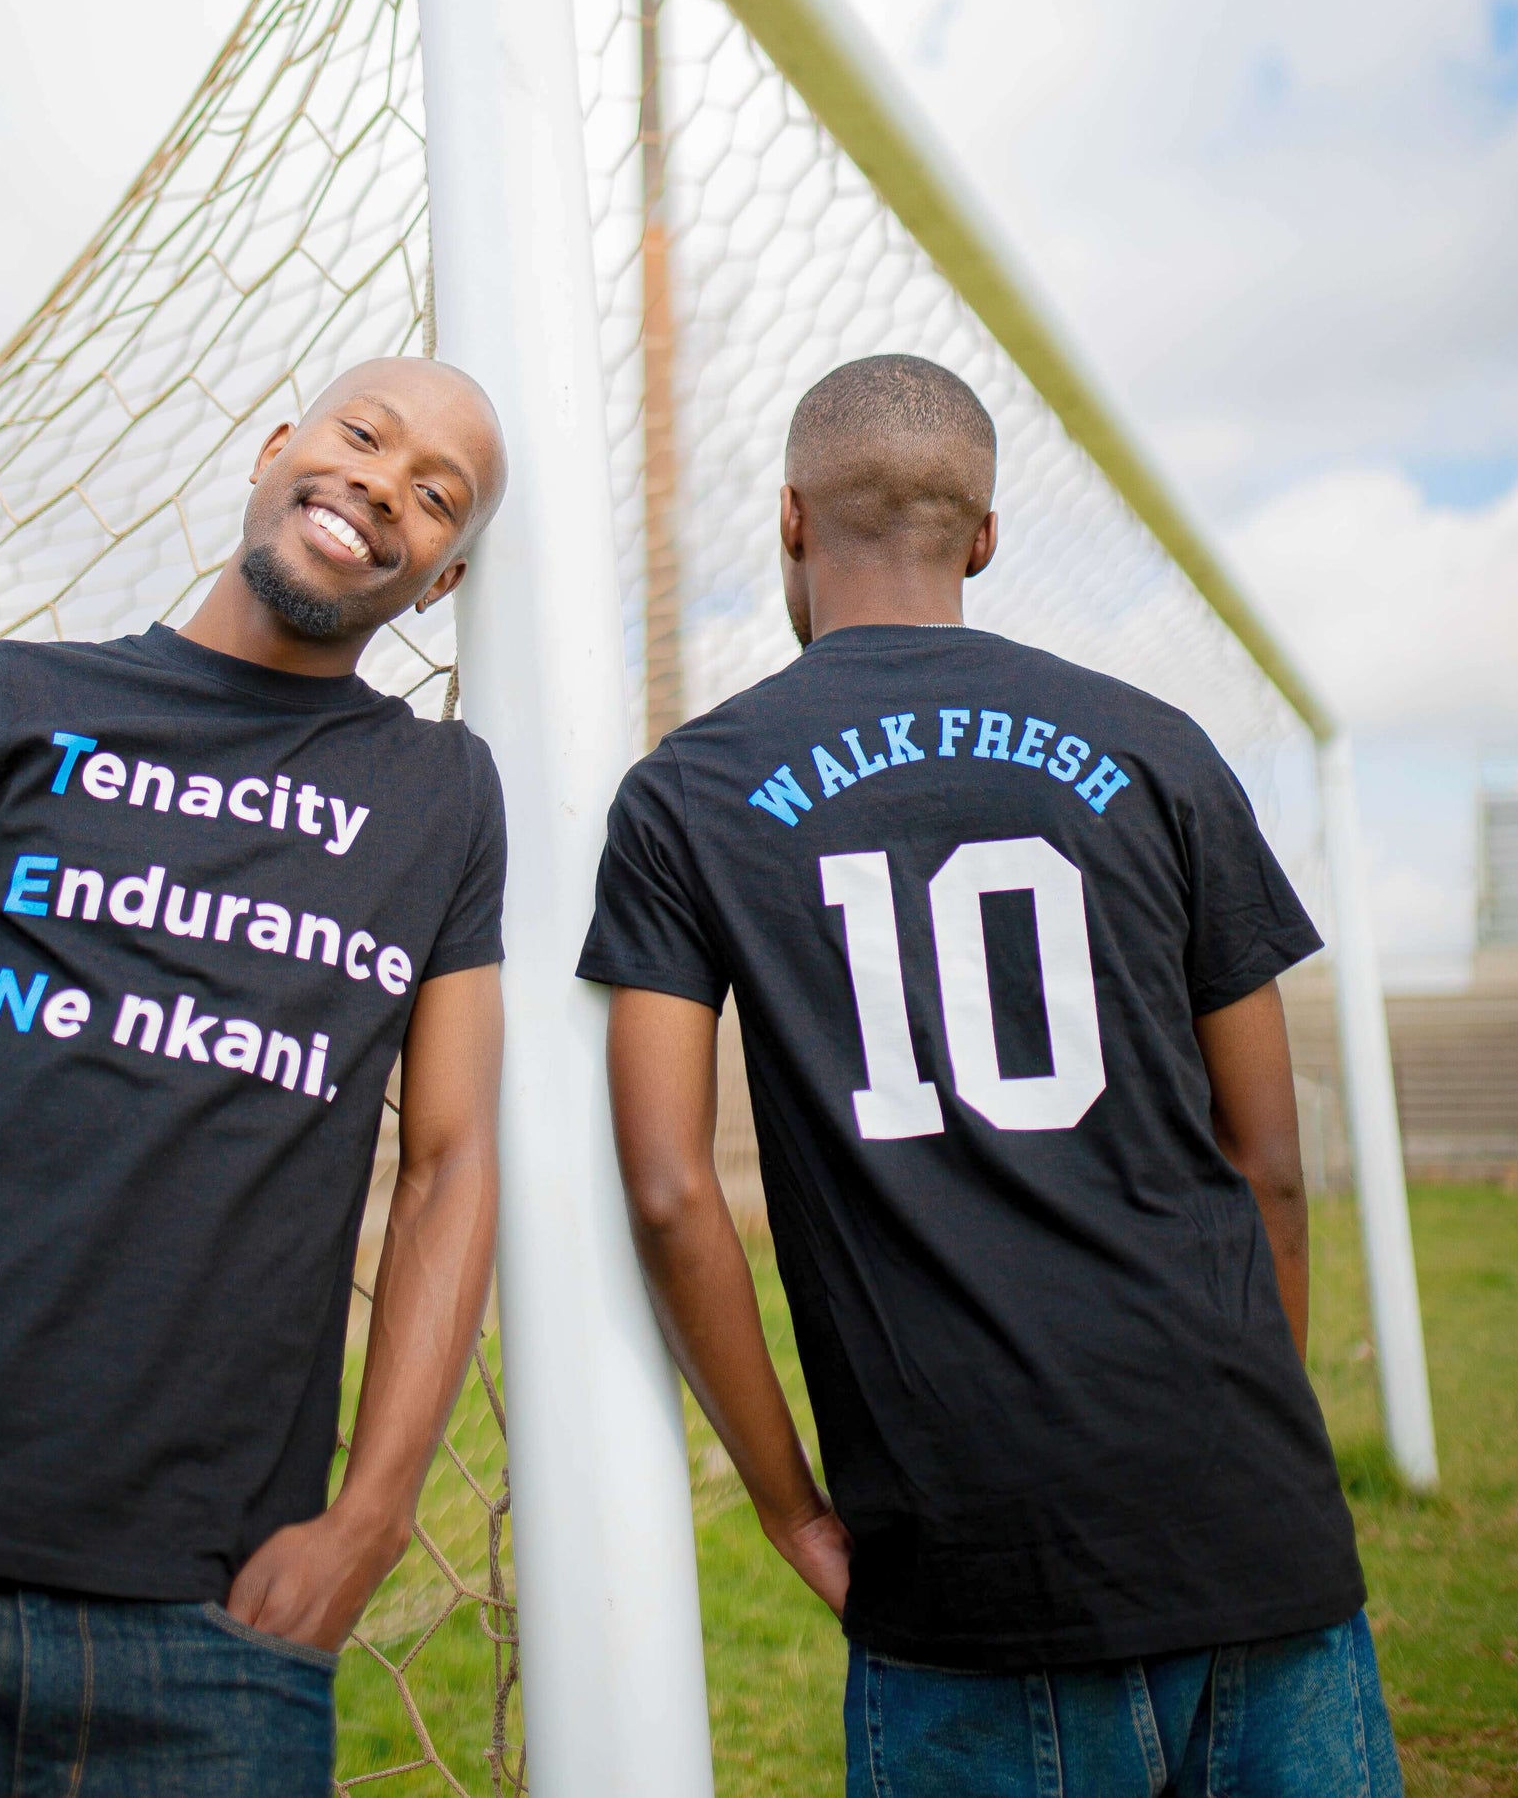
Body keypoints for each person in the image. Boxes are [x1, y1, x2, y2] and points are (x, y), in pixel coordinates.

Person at [579, 355, 1401, 1796]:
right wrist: (1251, 1460)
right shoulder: (1158, 749)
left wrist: (787, 1507)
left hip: (957, 1559)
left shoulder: (690, 792)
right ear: (982, 534)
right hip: (1246, 1526)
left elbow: (664, 1191)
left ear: (786, 519)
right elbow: (1264, 1158)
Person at [0, 357, 510, 1797]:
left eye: (436, 496)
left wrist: (369, 1519)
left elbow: (448, 1159)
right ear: (276, 447)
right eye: (363, 438)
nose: (384, 484)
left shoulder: (441, 797)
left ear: (439, 580)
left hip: (208, 1630)